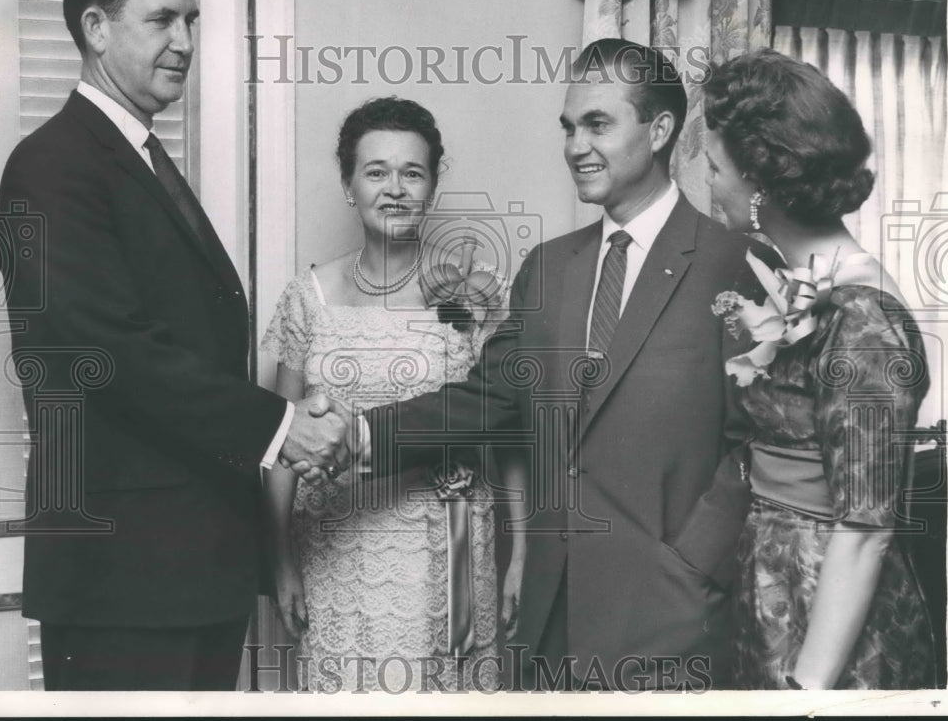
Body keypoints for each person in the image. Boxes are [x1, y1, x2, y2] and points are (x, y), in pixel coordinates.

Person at [309, 39, 775, 690]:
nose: (575, 145)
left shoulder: (740, 267)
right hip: (550, 623)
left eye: (598, 124)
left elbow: (756, 444)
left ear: (661, 129)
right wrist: (358, 435)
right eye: (568, 127)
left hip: (674, 621)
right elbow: (486, 400)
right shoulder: (549, 269)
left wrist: (695, 568)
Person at [0, 0, 347, 691]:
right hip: (121, 579)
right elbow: (113, 352)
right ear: (95, 29)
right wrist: (283, 426)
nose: (185, 42)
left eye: (192, 21)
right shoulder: (51, 166)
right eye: (162, 21)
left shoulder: (136, 157)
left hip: (191, 570)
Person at [261, 96, 519, 691]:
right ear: (348, 183)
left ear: (432, 184)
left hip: (446, 543)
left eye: (413, 172)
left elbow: (507, 428)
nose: (395, 189)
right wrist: (279, 562)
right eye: (376, 171)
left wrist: (522, 556)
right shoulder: (308, 298)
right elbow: (279, 440)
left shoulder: (476, 292)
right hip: (334, 545)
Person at [702, 48, 936, 689]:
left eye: (715, 168)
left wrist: (805, 692)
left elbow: (866, 530)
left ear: (758, 184)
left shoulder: (862, 319)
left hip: (831, 619)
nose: (711, 184)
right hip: (778, 588)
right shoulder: (803, 284)